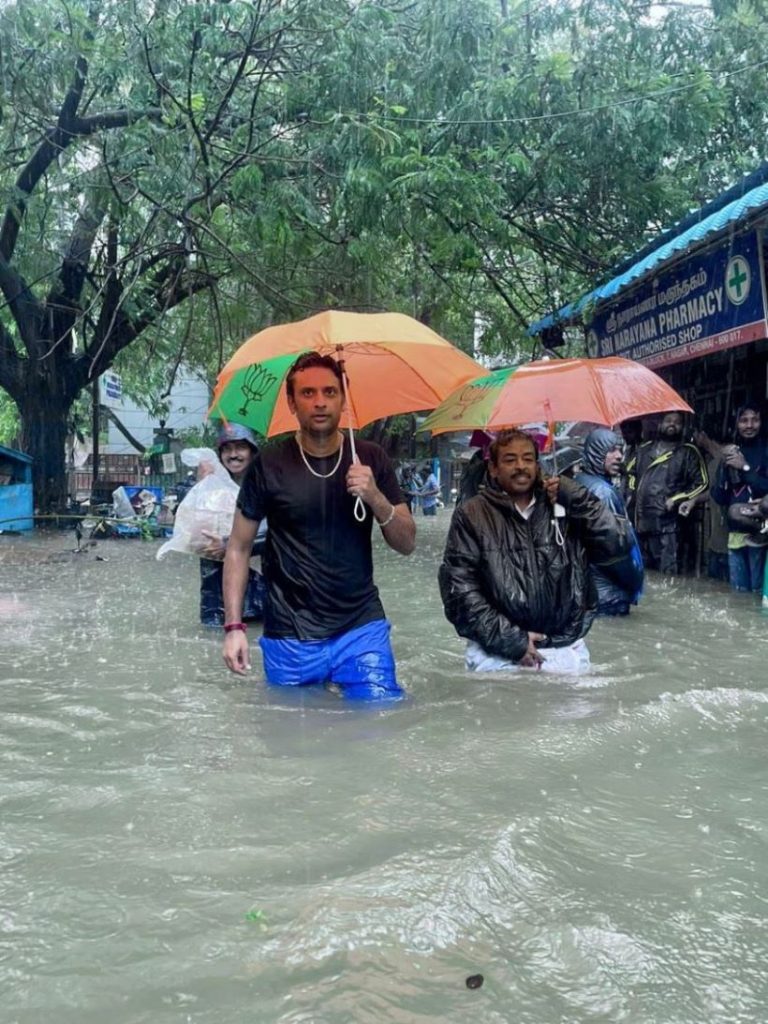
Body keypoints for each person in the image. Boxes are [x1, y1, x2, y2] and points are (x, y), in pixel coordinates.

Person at [222, 352, 416, 700]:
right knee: (294, 731)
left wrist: (375, 496)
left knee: (381, 716)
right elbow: (238, 547)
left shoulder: (371, 458)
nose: (320, 402)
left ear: (344, 398)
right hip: (289, 633)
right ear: (291, 403)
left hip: (361, 628)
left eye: (330, 392)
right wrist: (234, 627)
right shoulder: (268, 464)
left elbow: (407, 543)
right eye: (308, 393)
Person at [438, 429, 631, 675]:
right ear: (493, 468)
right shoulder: (471, 515)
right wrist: (512, 641)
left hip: (564, 645)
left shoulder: (566, 505)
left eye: (528, 459)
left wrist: (575, 497)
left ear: (537, 464)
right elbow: (459, 591)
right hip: (496, 652)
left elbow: (617, 544)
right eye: (510, 460)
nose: (521, 466)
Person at [198, 423, 267, 628]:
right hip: (216, 599)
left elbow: (275, 530)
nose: (233, 455)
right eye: (227, 449)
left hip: (262, 595)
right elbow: (188, 526)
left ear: (252, 452)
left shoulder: (267, 483)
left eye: (240, 448)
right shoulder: (213, 483)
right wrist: (202, 487)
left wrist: (228, 544)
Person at [575, 429, 643, 616]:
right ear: (596, 452)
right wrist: (634, 579)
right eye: (612, 450)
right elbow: (614, 550)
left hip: (590, 590)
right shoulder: (602, 492)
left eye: (620, 450)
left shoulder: (580, 482)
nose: (619, 456)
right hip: (608, 595)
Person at [632, 411, 707, 574]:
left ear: (682, 427)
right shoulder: (644, 450)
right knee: (643, 574)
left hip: (670, 526)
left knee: (668, 576)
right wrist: (631, 498)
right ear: (660, 424)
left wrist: (676, 499)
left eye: (677, 422)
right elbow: (630, 474)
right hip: (642, 523)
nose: (672, 424)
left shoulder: (688, 452)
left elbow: (702, 483)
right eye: (668, 420)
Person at [710, 402, 768, 593]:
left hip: (760, 535)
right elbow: (719, 497)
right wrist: (724, 469)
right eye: (744, 420)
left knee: (758, 592)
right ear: (737, 424)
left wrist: (745, 468)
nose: (749, 425)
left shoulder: (765, 450)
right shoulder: (732, 452)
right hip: (735, 535)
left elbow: (764, 488)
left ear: (761, 422)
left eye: (754, 420)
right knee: (739, 596)